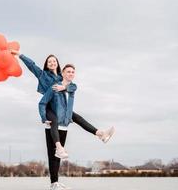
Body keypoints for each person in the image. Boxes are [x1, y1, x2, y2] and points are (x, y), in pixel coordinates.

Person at [10, 50, 115, 188]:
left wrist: (63, 86)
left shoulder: (61, 77)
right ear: (47, 64)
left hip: (60, 108)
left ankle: (100, 134)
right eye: (50, 61)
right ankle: (59, 153)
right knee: (54, 125)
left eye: (54, 61)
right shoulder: (43, 75)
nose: (52, 63)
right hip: (49, 106)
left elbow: (74, 86)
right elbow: (32, 65)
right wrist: (20, 55)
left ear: (58, 64)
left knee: (77, 117)